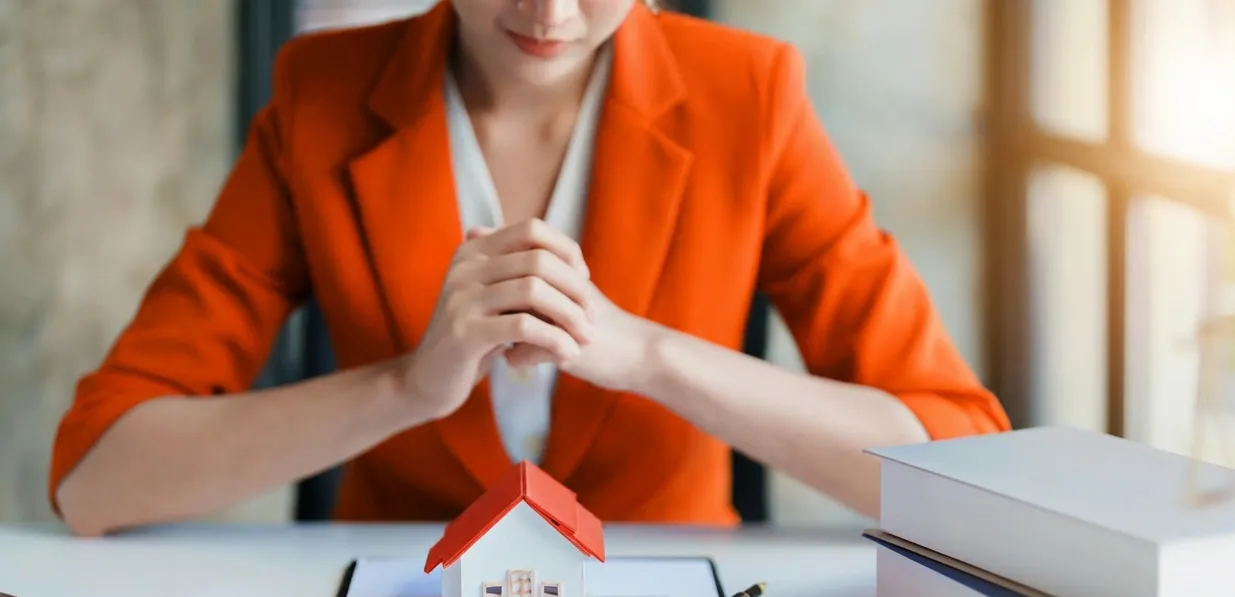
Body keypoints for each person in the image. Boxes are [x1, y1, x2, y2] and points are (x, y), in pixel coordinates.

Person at [48, 0, 1010, 538]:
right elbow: (96, 478)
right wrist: (404, 388)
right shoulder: (320, 94)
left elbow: (963, 462)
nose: (549, 12)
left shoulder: (749, 95)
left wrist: (650, 357)